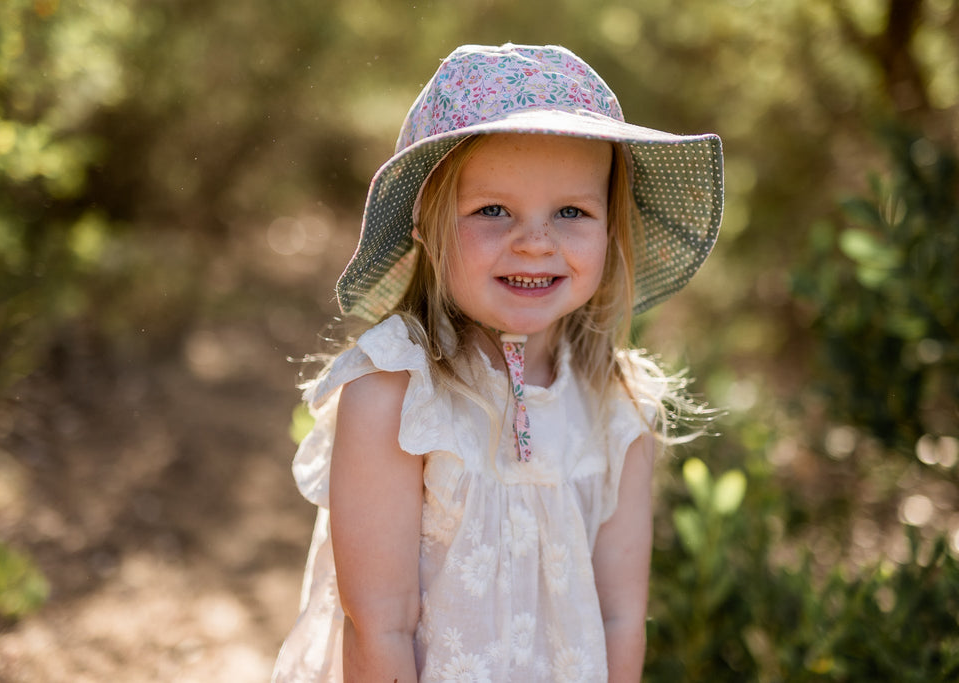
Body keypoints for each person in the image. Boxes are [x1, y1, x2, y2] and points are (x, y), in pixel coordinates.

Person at [271, 43, 723, 683]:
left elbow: (621, 616)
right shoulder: (396, 398)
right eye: (492, 210)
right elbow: (380, 624)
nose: (535, 241)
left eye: (572, 211)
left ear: (610, 228)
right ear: (427, 226)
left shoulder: (619, 408)